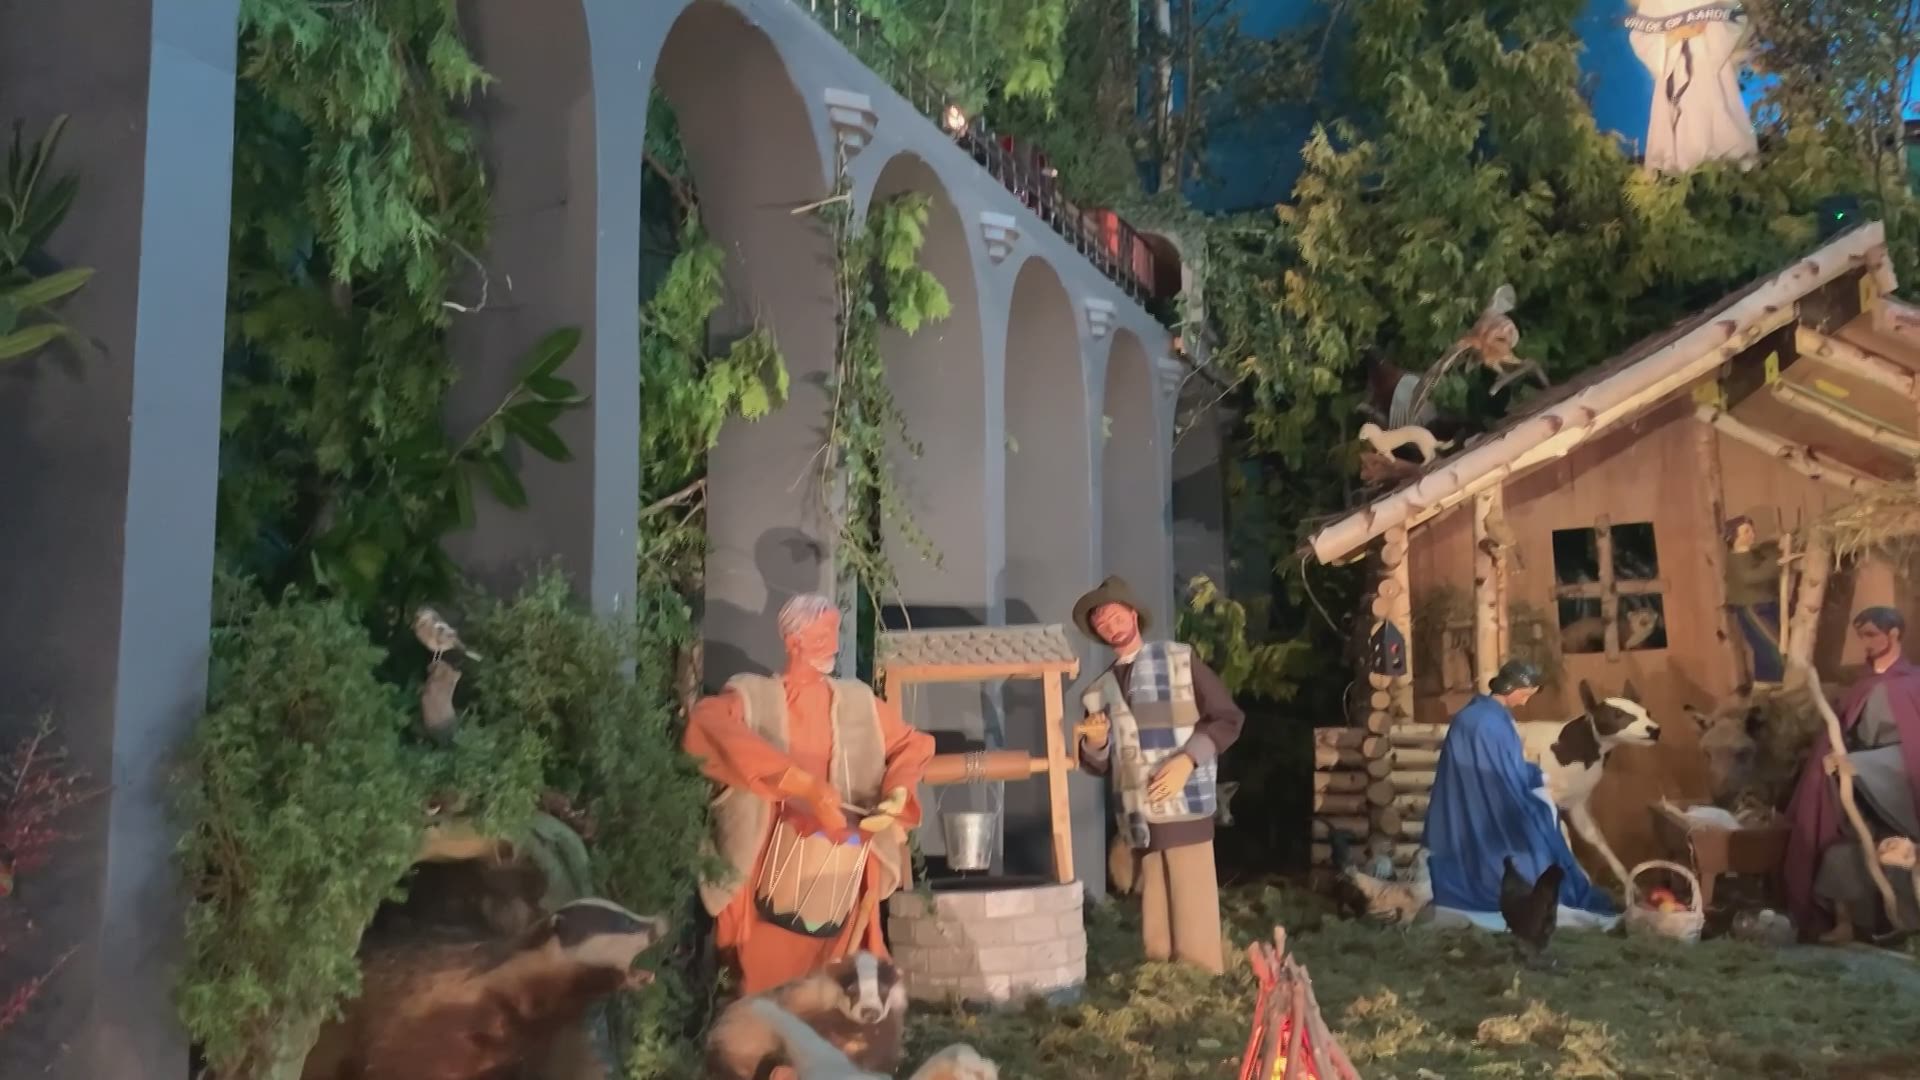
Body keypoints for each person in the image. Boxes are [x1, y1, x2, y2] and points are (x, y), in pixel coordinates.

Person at [682, 593, 935, 994]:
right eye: (821, 637)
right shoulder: (752, 695)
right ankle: (758, 1020)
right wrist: (801, 784)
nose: (832, 646)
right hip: (766, 854)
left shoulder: (857, 702)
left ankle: (831, 1020)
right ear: (792, 641)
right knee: (759, 971)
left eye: (834, 634)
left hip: (840, 862)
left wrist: (897, 791)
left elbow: (914, 745)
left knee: (836, 969)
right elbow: (705, 723)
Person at [1072, 575, 1245, 974]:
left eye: (1116, 615)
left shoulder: (1178, 660)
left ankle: (1202, 978)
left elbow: (1227, 718)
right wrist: (1096, 741)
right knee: (1155, 906)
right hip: (1138, 811)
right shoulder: (1098, 692)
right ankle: (1163, 977)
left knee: (1192, 900)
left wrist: (1188, 760)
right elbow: (1098, 763)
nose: (1111, 625)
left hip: (1184, 802)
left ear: (1134, 615)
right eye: (1101, 621)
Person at [1425, 660, 1617, 929]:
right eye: (1525, 694)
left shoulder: (1478, 715)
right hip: (1490, 802)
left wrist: (1530, 775)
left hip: (1468, 802)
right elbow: (1502, 774)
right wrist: (1533, 784)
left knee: (1538, 819)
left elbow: (1503, 765)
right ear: (1511, 687)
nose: (1525, 702)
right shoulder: (1489, 723)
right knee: (1537, 830)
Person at [1784, 607, 1920, 942]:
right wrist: (1836, 760)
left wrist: (1862, 765)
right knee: (1840, 854)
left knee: (1898, 859)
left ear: (1894, 634)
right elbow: (1845, 735)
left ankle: (1902, 925)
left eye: (1872, 634)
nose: (1866, 643)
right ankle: (1845, 924)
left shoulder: (1914, 683)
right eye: (1861, 636)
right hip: (1865, 797)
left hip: (1902, 799)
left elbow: (1913, 750)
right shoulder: (1863, 685)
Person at [1722, 516, 1795, 684]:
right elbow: (1751, 576)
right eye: (1746, 532)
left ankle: (1765, 685)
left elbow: (1767, 552)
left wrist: (1778, 547)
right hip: (1752, 609)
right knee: (1774, 647)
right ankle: (1779, 684)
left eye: (1752, 530)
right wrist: (1777, 562)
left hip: (1766, 605)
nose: (1752, 534)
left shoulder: (1754, 553)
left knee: (1763, 650)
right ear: (1734, 537)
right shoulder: (1735, 559)